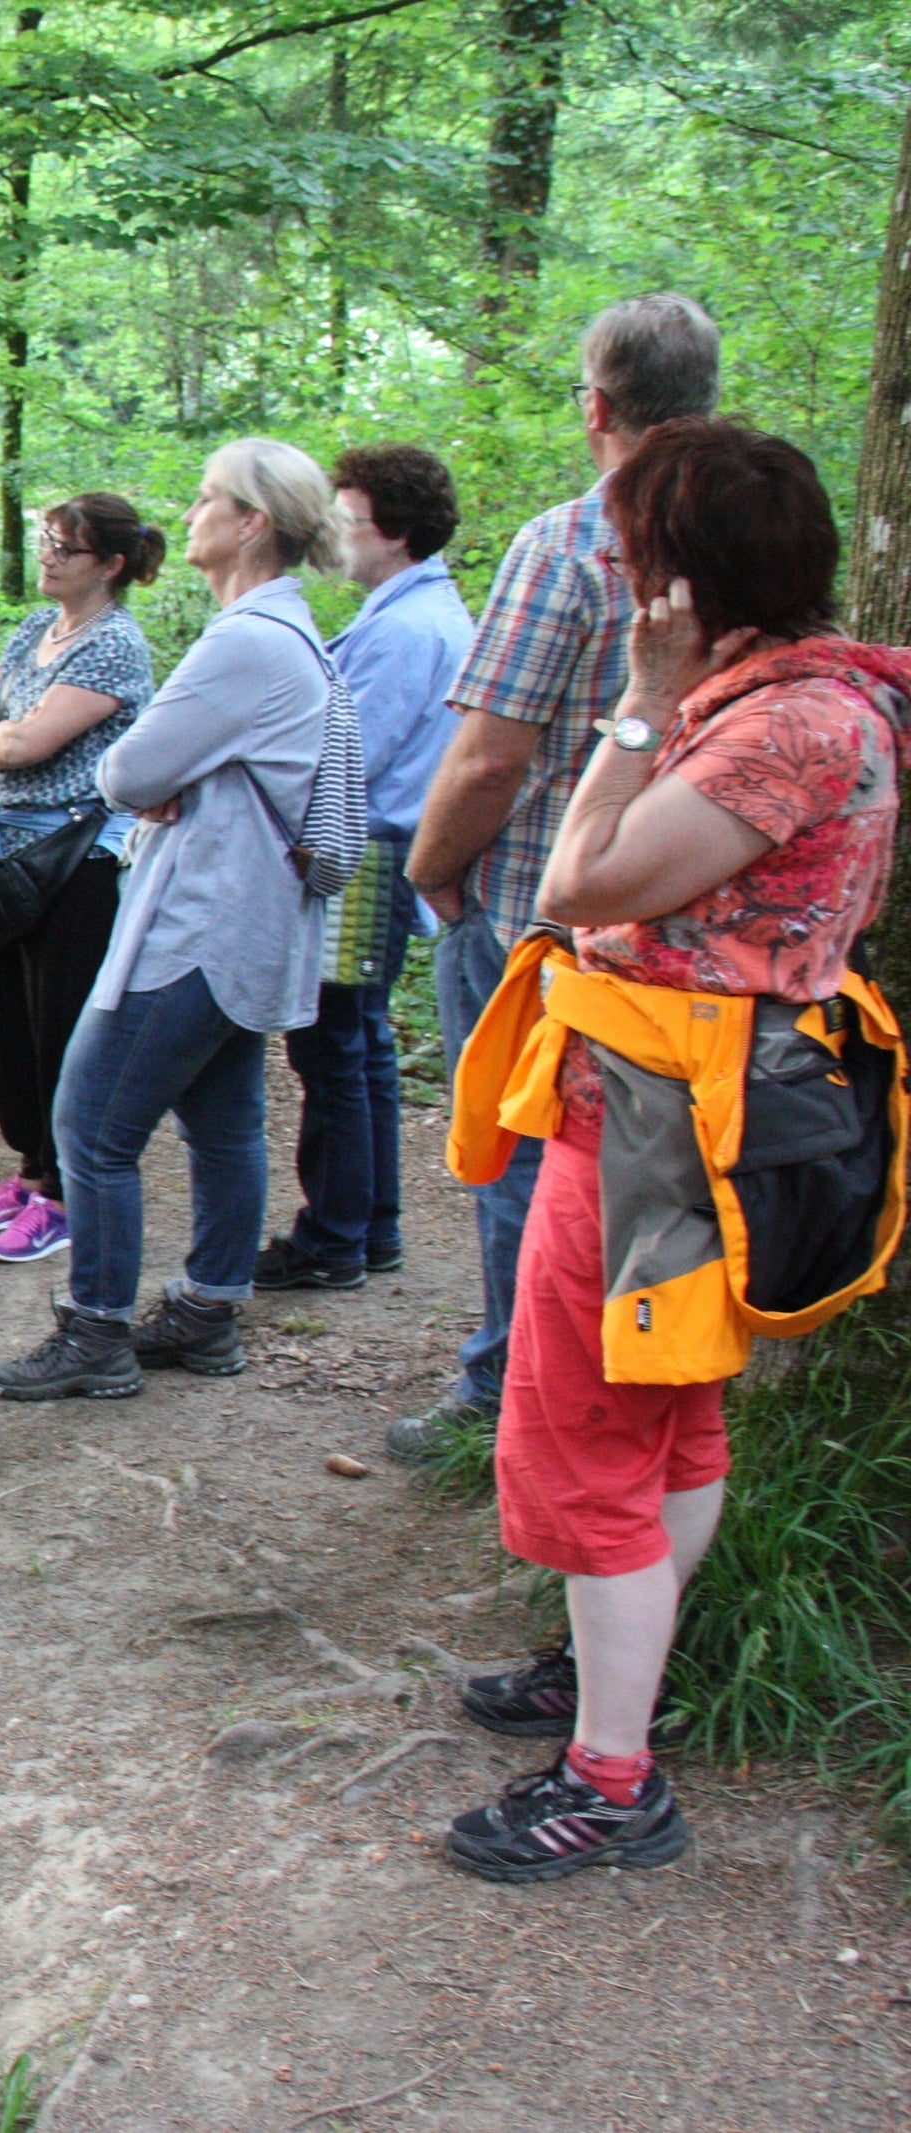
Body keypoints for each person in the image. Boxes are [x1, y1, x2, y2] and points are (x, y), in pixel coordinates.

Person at [435, 422, 905, 1880]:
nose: (617, 576)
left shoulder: (782, 727)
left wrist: (637, 710)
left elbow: (582, 882)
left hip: (659, 1133)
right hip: (675, 1116)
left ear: (684, 579)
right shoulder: (802, 699)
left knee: (580, 1445)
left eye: (633, 552)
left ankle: (610, 1778)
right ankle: (605, 1685)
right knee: (668, 1425)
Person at [395, 294, 721, 1465]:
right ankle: (648, 1403)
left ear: (594, 406)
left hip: (548, 917)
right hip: (711, 926)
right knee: (668, 1180)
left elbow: (489, 753)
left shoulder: (573, 540)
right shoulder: (750, 533)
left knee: (523, 1159)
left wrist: (434, 873)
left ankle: (512, 1398)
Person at [0, 440, 363, 1400]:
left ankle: (97, 1333)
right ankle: (206, 1313)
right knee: (223, 1116)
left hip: (201, 924)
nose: (189, 512)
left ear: (252, 522)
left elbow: (126, 772)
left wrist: (171, 779)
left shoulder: (242, 641)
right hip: (254, 923)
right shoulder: (290, 633)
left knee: (92, 1125)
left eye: (209, 497)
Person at [255, 446, 473, 1294]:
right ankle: (370, 1226)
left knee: (332, 1052)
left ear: (393, 529)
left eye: (347, 517)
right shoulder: (424, 613)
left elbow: (345, 757)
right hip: (386, 858)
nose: (337, 534)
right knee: (362, 1046)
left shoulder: (404, 629)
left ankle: (334, 1235)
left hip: (362, 859)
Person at [0, 495, 163, 1267]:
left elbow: (25, 743)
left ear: (108, 564)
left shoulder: (115, 647)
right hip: (6, 851)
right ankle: (32, 1170)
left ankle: (67, 1194)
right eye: (46, 540)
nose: (48, 555)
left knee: (57, 1023)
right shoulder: (38, 628)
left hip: (74, 860)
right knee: (4, 1021)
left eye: (65, 547)